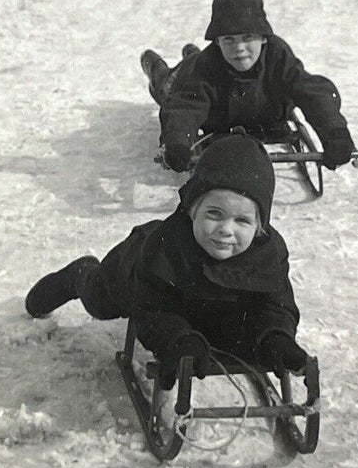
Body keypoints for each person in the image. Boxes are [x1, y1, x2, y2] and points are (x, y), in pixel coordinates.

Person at [23, 134, 307, 386]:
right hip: (132, 270)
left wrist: (277, 339)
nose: (226, 230)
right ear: (192, 210)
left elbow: (276, 306)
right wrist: (179, 342)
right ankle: (79, 274)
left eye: (242, 220)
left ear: (259, 227)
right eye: (214, 214)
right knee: (99, 301)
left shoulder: (268, 256)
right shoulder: (163, 250)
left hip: (201, 305)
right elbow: (152, 312)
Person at [139, 0, 356, 172]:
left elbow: (312, 92)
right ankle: (155, 66)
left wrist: (335, 133)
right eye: (229, 40)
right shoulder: (206, 65)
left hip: (264, 116)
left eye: (247, 37)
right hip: (188, 82)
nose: (239, 48)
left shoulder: (277, 55)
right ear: (217, 42)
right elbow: (184, 107)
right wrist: (177, 142)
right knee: (169, 85)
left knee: (196, 59)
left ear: (263, 38)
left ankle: (190, 52)